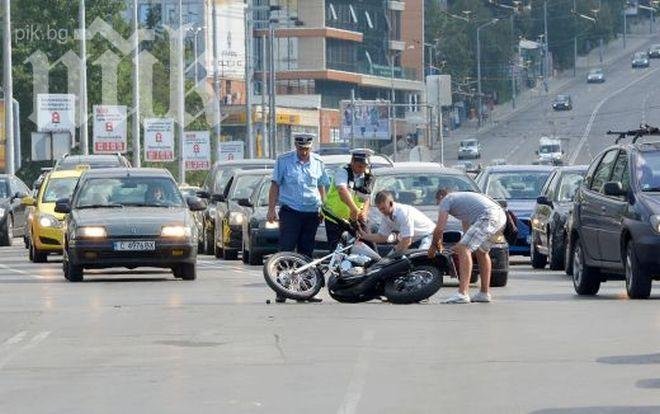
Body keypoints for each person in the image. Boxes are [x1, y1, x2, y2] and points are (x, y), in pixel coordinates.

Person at [267, 133, 330, 303]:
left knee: (306, 251)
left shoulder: (318, 162)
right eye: (301, 149)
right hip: (291, 211)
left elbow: (322, 186)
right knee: (286, 249)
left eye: (306, 149)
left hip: (311, 212)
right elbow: (275, 185)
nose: (303, 152)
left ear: (311, 147)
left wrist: (324, 208)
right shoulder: (284, 161)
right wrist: (271, 209)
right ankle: (282, 288)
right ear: (296, 147)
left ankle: (305, 289)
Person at [428, 188, 506, 304]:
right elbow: (467, 233)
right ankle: (484, 293)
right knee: (481, 251)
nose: (439, 206)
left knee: (464, 248)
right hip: (500, 218)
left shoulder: (447, 199)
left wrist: (433, 247)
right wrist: (460, 247)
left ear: (440, 197)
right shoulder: (464, 204)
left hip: (488, 216)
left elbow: (439, 228)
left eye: (438, 203)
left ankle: (462, 293)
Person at [322, 149, 375, 251]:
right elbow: (342, 191)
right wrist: (354, 209)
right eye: (359, 166)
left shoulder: (367, 177)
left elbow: (367, 197)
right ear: (352, 162)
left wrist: (364, 212)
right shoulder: (343, 172)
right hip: (336, 218)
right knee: (336, 251)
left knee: (370, 246)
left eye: (365, 166)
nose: (362, 169)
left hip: (355, 219)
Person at [358, 190, 435, 254]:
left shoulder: (403, 213)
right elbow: (382, 237)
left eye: (383, 208)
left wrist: (392, 255)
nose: (382, 212)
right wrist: (365, 236)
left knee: (420, 259)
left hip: (428, 236)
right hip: (415, 240)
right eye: (379, 209)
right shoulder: (386, 215)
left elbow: (407, 240)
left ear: (391, 203)